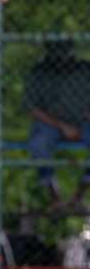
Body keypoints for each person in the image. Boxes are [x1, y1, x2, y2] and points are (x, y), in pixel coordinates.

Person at [24, 41, 90, 209]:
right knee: (38, 141)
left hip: (83, 122)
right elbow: (32, 108)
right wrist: (62, 126)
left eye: (65, 51)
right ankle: (53, 192)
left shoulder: (85, 69)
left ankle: (80, 193)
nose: (61, 57)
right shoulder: (40, 72)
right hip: (51, 124)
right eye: (56, 51)